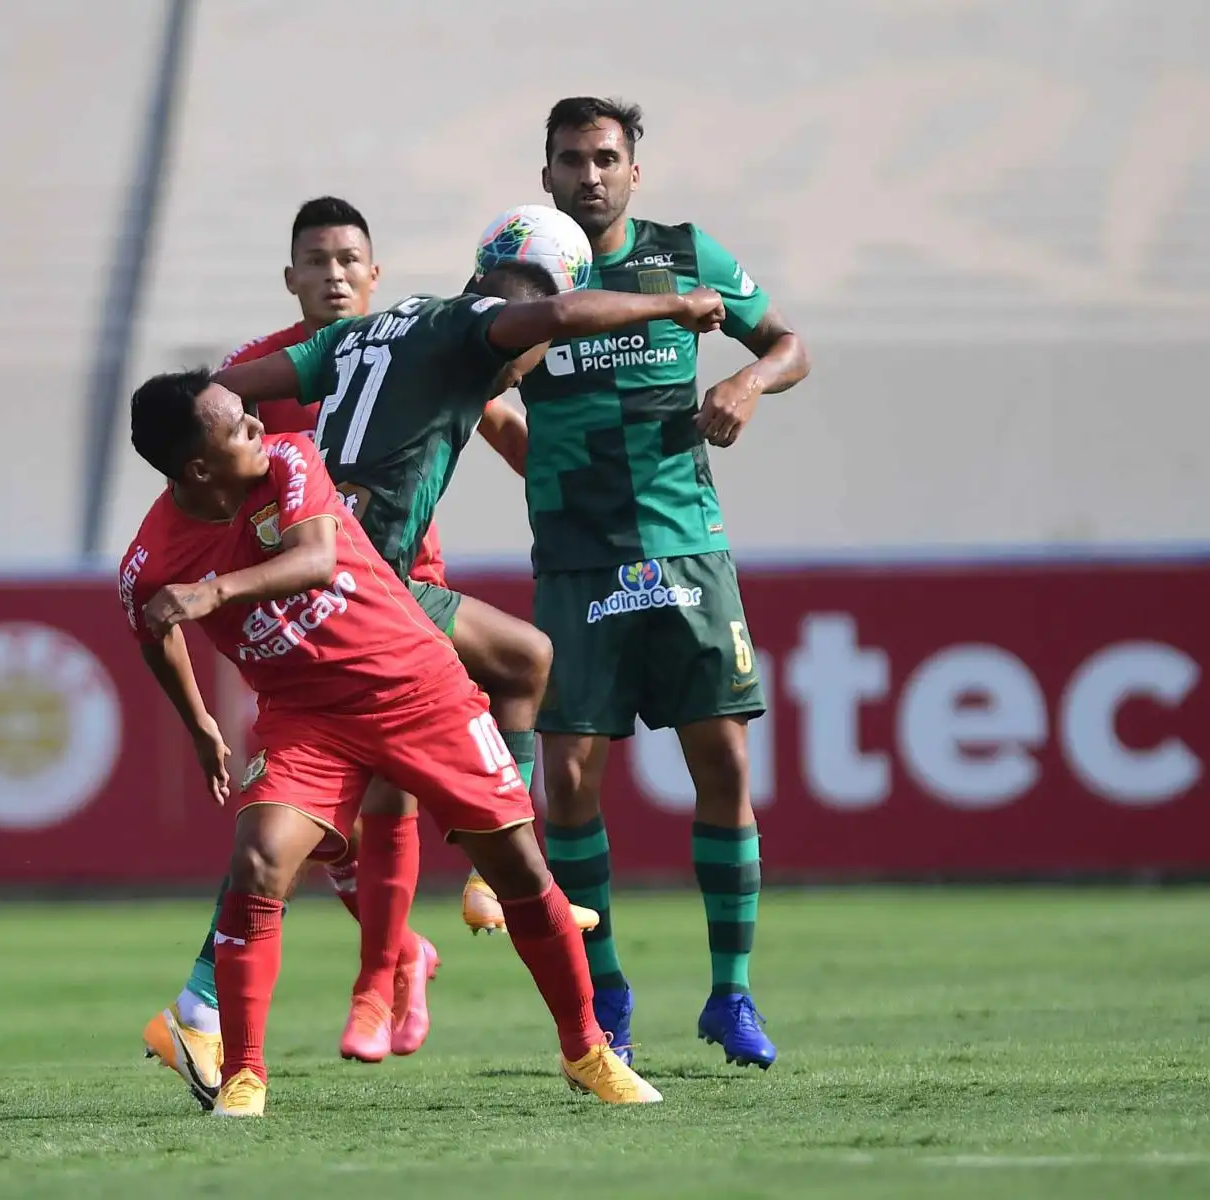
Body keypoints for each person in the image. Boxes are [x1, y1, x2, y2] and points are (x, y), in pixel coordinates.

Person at [120, 368, 666, 1115]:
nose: (258, 426)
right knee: (257, 861)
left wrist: (214, 592)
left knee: (519, 867)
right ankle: (244, 1075)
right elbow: (153, 628)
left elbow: (315, 560)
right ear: (199, 469)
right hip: (306, 718)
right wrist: (200, 724)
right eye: (237, 426)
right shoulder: (149, 559)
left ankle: (587, 1052)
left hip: (417, 687)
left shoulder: (287, 460)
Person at [140, 198, 579, 1102]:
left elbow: (494, 421)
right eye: (317, 260)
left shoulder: (408, 342)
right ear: (291, 279)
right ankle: (369, 974)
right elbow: (201, 455)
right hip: (324, 598)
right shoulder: (254, 385)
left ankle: (369, 977)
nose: (335, 274)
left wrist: (574, 489)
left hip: (397, 585)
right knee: (334, 817)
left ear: (375, 275)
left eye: (351, 260)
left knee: (488, 695)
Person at [492, 96, 811, 1070]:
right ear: (544, 174)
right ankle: (609, 987)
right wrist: (545, 467)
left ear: (636, 171)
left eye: (605, 158)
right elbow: (468, 394)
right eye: (570, 161)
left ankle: (732, 995)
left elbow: (789, 345)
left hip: (685, 550)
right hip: (579, 563)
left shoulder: (687, 254)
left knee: (723, 762)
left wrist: (743, 387)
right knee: (573, 786)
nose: (589, 176)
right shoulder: (515, 273)